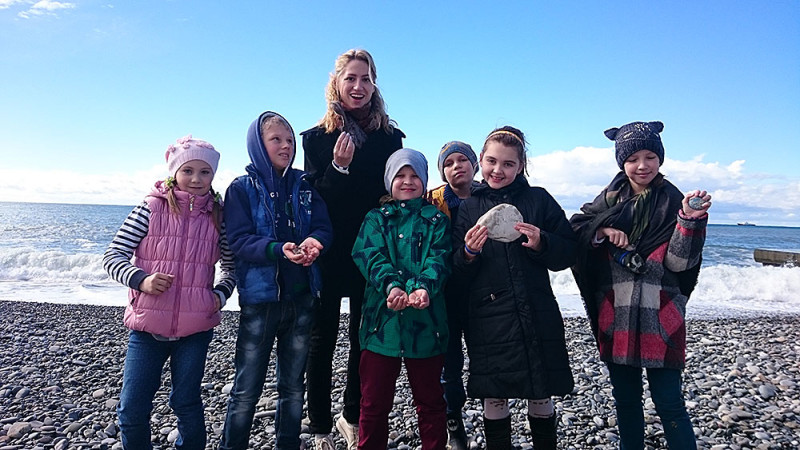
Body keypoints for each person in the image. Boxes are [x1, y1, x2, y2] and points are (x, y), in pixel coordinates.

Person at [569, 121, 710, 449]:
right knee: (626, 400)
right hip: (615, 312)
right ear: (622, 162)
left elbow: (680, 264)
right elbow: (577, 229)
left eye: (650, 157)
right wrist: (602, 231)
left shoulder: (673, 200)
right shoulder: (607, 201)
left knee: (669, 402)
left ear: (660, 159)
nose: (642, 165)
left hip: (662, 314)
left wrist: (689, 221)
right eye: (632, 158)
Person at [102, 135, 236, 449]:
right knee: (132, 408)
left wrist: (218, 297)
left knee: (186, 402)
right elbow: (113, 255)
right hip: (147, 328)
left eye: (205, 172)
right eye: (188, 170)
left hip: (195, 329)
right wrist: (141, 280)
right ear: (174, 171)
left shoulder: (217, 215)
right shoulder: (151, 207)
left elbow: (231, 267)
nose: (196, 179)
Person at [302, 48, 405, 450]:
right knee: (321, 339)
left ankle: (351, 415)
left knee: (363, 338)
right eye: (351, 78)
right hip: (328, 250)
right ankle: (320, 424)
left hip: (372, 252)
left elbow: (395, 194)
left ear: (374, 85)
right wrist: (338, 167)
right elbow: (313, 200)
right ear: (337, 83)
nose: (358, 87)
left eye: (366, 79)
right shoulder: (315, 138)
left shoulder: (390, 138)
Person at [452, 126, 577, 450]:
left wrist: (542, 242)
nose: (498, 170)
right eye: (492, 161)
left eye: (508, 164)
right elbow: (456, 271)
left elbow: (569, 252)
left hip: (537, 312)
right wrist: (468, 252)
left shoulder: (539, 200)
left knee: (541, 392)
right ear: (481, 160)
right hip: (489, 318)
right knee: (494, 396)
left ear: (521, 166)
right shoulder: (469, 207)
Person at [220, 111, 333, 450]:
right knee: (246, 388)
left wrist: (315, 242)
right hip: (261, 301)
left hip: (302, 300)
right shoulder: (241, 189)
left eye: (290, 141)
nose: (286, 146)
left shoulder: (305, 185)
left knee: (293, 387)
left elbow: (323, 227)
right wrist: (277, 249)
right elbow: (239, 240)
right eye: (276, 140)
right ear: (258, 144)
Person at [351, 148, 451, 450]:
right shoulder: (375, 219)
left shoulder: (437, 220)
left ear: (424, 181)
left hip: (427, 325)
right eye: (400, 175)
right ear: (389, 181)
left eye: (414, 175)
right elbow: (368, 255)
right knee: (373, 402)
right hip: (381, 325)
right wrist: (392, 286)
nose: (407, 181)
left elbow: (440, 259)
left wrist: (423, 288)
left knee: (431, 401)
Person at [425, 141, 480, 450]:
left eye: (462, 160)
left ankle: (494, 414)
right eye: (449, 163)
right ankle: (453, 420)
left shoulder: (488, 196)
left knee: (486, 357)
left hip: (481, 291)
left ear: (474, 164)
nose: (456, 166)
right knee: (449, 363)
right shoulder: (431, 201)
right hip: (443, 293)